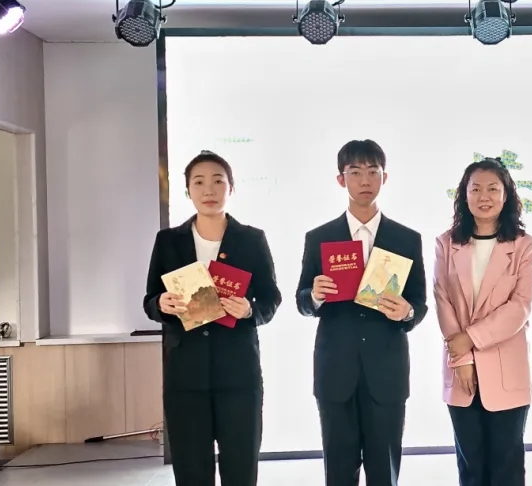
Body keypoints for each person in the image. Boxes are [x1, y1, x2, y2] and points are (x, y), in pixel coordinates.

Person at [142, 150, 282, 486]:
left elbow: (270, 298)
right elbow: (149, 301)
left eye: (218, 181)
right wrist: (162, 303)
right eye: (199, 182)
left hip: (239, 375)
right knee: (191, 468)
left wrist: (249, 309)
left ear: (231, 188)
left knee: (241, 466)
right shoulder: (168, 241)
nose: (209, 190)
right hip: (185, 375)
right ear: (187, 191)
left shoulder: (251, 239)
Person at [295, 139, 429, 486]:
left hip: (387, 373)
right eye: (355, 172)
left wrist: (407, 312)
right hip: (335, 371)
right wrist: (315, 296)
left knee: (384, 472)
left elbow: (419, 303)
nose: (365, 180)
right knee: (339, 471)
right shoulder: (320, 237)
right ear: (341, 179)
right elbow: (302, 300)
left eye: (373, 171)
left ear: (385, 177)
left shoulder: (406, 238)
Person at [434, 158, 532, 486]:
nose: (484, 196)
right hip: (461, 371)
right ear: (463, 195)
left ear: (506, 195)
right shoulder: (446, 243)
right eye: (475, 189)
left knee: (506, 468)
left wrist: (470, 338)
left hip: (507, 370)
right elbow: (442, 299)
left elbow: (519, 307)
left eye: (493, 189)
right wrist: (462, 358)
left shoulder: (525, 246)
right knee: (471, 469)